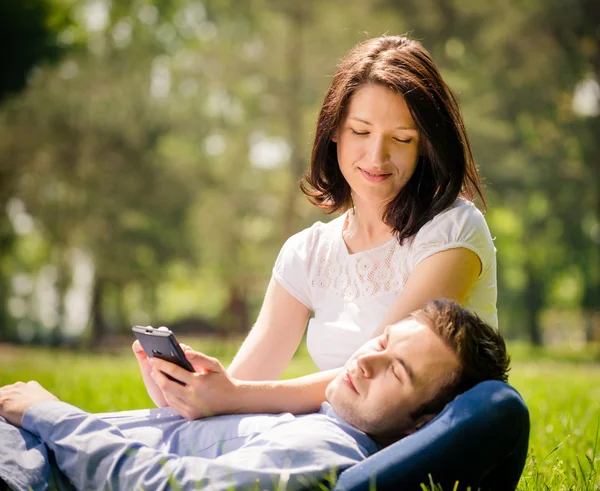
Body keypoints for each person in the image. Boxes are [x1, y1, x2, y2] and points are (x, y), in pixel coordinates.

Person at [133, 34, 498, 419]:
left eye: (402, 139)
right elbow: (243, 383)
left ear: (425, 144)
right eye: (360, 132)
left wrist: (231, 395)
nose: (377, 156)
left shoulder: (453, 231)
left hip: (410, 444)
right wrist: (188, 392)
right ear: (334, 130)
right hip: (330, 433)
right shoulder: (308, 252)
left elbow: (374, 378)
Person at [0, 300, 509, 491]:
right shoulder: (312, 417)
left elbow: (167, 486)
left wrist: (51, 414)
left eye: (396, 372)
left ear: (420, 426)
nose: (365, 360)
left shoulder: (325, 448)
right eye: (381, 342)